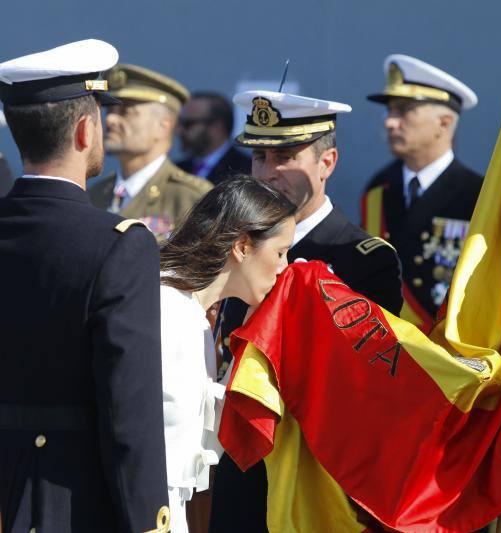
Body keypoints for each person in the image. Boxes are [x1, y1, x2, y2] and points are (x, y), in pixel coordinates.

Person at [210, 90, 403, 533]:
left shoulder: (363, 258)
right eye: (259, 157)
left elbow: (361, 381)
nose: (268, 172)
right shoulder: (231, 246)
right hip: (240, 465)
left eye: (285, 157)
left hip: (317, 475)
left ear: (327, 163)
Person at [0, 40, 170, 532]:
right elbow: (129, 412)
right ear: (84, 130)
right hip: (69, 504)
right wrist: (149, 522)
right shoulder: (119, 245)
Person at [158, 176, 296, 533]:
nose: (284, 267)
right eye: (280, 253)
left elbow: (201, 439)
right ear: (243, 246)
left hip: (169, 511)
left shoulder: (194, 313)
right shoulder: (165, 307)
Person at [362, 54, 483, 330]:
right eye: (390, 111)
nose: (389, 122)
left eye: (403, 111)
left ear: (444, 123)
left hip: (446, 344)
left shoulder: (478, 195)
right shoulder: (379, 188)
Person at [88, 63, 212, 242]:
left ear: (163, 125)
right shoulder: (95, 194)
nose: (111, 119)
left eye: (126, 111)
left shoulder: (192, 198)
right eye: (110, 110)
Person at [176, 91, 251, 185]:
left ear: (217, 127)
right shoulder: (178, 169)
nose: (179, 131)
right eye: (179, 123)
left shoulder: (245, 171)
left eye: (188, 124)